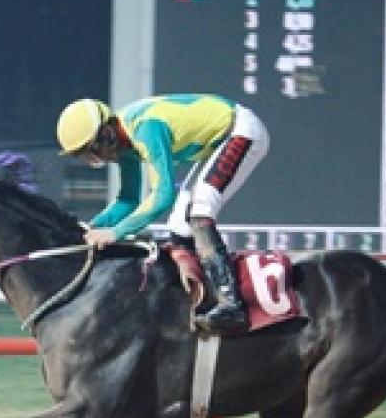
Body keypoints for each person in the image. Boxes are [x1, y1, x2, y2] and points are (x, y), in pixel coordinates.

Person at [55, 94, 269, 336]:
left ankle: (231, 304)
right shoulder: (124, 143)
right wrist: (91, 228)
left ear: (106, 134)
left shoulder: (146, 130)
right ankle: (202, 297)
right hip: (220, 140)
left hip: (241, 130)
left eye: (91, 151)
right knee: (179, 226)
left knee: (200, 211)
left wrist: (114, 233)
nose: (96, 159)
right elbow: (128, 200)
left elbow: (163, 195)